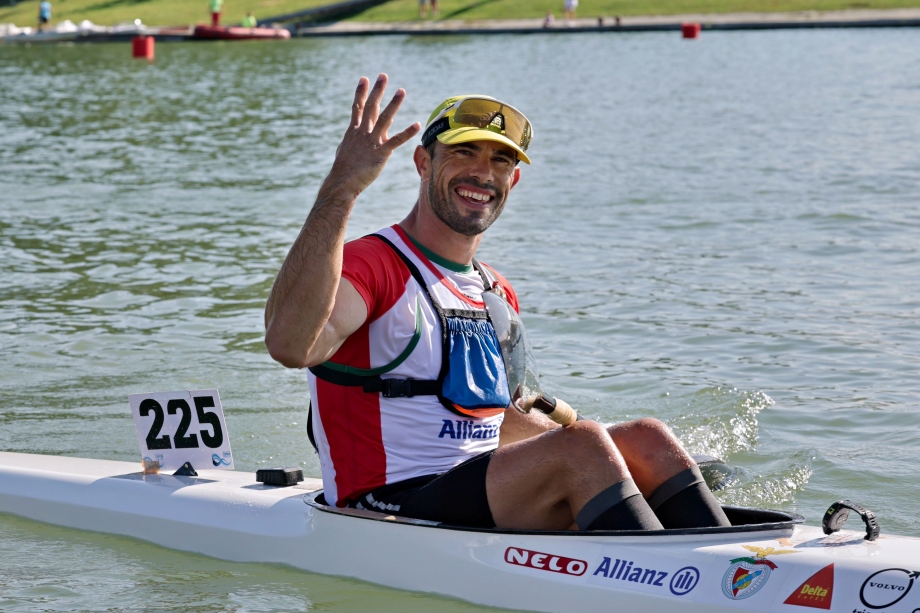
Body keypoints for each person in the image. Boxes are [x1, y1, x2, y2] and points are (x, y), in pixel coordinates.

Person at [264, 74, 731, 533]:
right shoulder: (371, 264)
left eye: (500, 160)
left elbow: (501, 421)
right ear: (423, 162)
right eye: (464, 151)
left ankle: (734, 558)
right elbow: (291, 346)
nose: (483, 173)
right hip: (384, 503)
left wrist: (617, 457)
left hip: (485, 489)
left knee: (647, 438)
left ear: (514, 180)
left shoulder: (496, 290)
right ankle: (677, 571)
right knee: (584, 446)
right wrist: (342, 187)